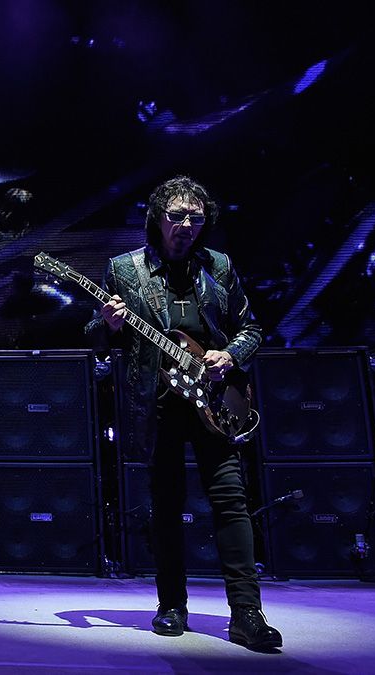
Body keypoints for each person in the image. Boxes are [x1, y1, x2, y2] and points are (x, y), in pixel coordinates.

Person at [86, 175, 281, 650]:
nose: (187, 226)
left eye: (195, 217)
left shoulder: (219, 266)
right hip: (158, 405)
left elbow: (252, 327)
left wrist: (229, 356)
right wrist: (108, 325)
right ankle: (171, 604)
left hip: (215, 401)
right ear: (157, 220)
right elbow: (98, 336)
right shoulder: (125, 270)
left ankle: (246, 614)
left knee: (231, 502)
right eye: (177, 216)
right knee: (167, 507)